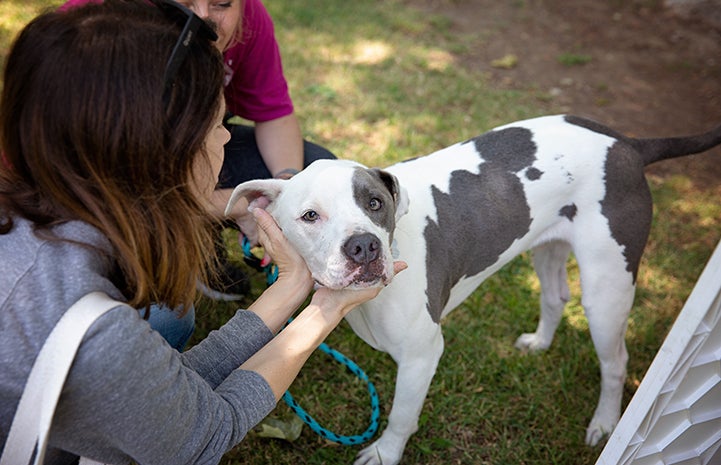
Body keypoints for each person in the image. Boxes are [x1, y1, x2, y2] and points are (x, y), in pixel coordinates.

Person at [0, 2, 405, 464]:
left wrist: (294, 288)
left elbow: (173, 387)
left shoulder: (47, 223)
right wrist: (323, 313)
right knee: (172, 318)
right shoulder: (94, 331)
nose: (228, 139)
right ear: (163, 155)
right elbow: (203, 435)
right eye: (216, 125)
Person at [61, 0, 337, 300]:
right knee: (169, 319)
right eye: (184, 2)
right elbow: (109, 201)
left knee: (314, 175)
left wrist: (283, 192)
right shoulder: (97, 28)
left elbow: (274, 114)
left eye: (221, 3)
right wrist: (238, 205)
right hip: (86, 192)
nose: (204, 16)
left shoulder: (248, 20)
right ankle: (178, 246)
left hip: (171, 168)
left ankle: (194, 245)